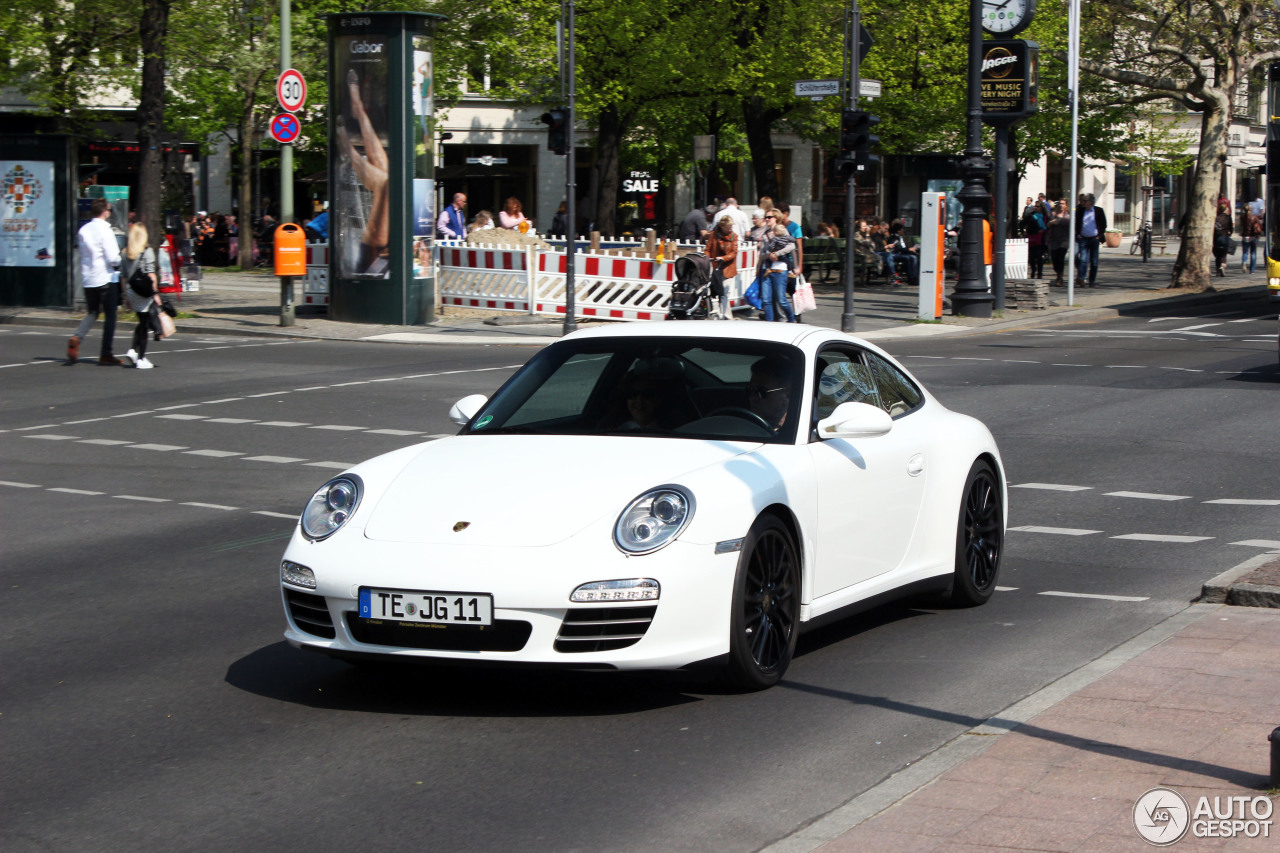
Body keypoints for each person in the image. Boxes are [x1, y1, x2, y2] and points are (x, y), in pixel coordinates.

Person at [338, 68, 389, 275]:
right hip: (379, 250)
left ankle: (347, 148)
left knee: (386, 180)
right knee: (384, 170)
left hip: (376, 252)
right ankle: (358, 109)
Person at [69, 199, 123, 365]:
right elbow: (113, 258)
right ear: (105, 212)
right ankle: (106, 353)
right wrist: (121, 261)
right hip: (105, 278)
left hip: (88, 278)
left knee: (92, 312)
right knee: (110, 316)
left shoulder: (83, 230)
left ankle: (77, 337)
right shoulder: (106, 231)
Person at [120, 223, 163, 370]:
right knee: (145, 325)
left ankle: (133, 350)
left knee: (142, 320)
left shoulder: (125, 253)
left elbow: (124, 277)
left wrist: (126, 296)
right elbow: (151, 274)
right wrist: (155, 293)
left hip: (132, 291)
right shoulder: (147, 251)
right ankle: (141, 358)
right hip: (144, 291)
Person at [759, 221, 798, 322]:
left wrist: (777, 254)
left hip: (780, 270)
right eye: (766, 217)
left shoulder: (783, 232)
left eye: (770, 217)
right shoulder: (765, 235)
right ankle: (769, 322)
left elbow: (792, 247)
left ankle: (792, 319)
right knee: (766, 300)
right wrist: (768, 256)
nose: (768, 219)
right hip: (767, 270)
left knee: (781, 300)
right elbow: (763, 253)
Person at [705, 215, 739, 320]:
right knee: (718, 292)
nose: (730, 229)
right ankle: (723, 315)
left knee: (724, 292)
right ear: (722, 226)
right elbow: (708, 248)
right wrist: (707, 258)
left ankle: (726, 316)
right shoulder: (713, 235)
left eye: (731, 226)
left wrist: (723, 258)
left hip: (728, 267)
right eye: (728, 227)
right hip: (716, 267)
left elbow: (734, 252)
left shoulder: (734, 236)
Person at [747, 355, 793, 432]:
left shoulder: (801, 430)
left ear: (787, 396)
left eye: (761, 392)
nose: (752, 398)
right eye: (750, 390)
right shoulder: (744, 427)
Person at [1074, 192, 1107, 287]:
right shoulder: (1080, 210)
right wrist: (1078, 234)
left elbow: (1103, 224)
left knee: (1094, 261)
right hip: (1083, 238)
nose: (1083, 203)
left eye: (1085, 201)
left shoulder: (1098, 211)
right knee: (1083, 259)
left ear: (1091, 202)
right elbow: (1076, 223)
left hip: (1094, 238)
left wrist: (1099, 235)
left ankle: (1092, 281)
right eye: (1082, 201)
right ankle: (1081, 278)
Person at [1045, 200, 1070, 286]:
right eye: (1060, 204)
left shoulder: (1068, 216)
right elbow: (1047, 225)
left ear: (1066, 206)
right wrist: (1051, 223)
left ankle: (1060, 277)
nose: (1061, 205)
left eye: (1063, 204)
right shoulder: (1053, 214)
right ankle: (1058, 272)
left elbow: (1071, 226)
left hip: (1064, 240)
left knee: (1061, 258)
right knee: (1055, 260)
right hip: (1054, 240)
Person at [1021, 207, 1046, 279]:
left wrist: (1042, 231)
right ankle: (1034, 271)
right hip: (1031, 238)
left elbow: (1044, 227)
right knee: (1032, 257)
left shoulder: (1040, 216)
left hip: (1039, 239)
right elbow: (1022, 224)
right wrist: (1024, 232)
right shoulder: (1029, 217)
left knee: (1038, 257)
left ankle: (1039, 273)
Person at [1212, 199, 1233, 277]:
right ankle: (1223, 266)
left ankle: (1217, 270)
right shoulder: (1228, 218)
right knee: (1224, 254)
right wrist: (1230, 233)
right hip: (1224, 237)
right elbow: (1231, 228)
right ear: (1226, 209)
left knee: (1217, 255)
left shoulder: (1215, 217)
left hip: (1216, 238)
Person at [1240, 204, 1263, 274]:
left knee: (1245, 252)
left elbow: (1241, 227)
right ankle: (1252, 270)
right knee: (1253, 253)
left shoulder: (1242, 217)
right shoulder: (1254, 217)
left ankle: (1244, 262)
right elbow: (1259, 225)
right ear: (1251, 210)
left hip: (1245, 236)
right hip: (1253, 237)